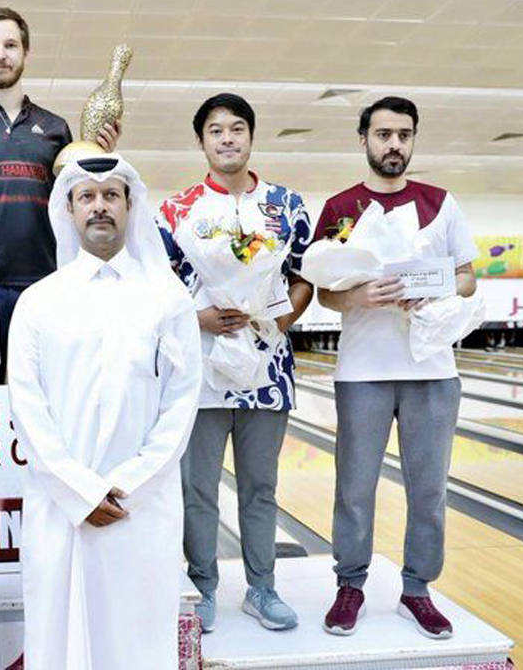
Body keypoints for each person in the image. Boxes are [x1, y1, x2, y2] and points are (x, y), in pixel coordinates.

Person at [8, 155, 201, 669]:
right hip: (59, 506)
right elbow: (27, 407)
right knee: (60, 641)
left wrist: (128, 484)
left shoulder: (167, 298)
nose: (99, 206)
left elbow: (181, 403)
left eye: (111, 195)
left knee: (137, 643)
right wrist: (79, 490)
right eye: (87, 197)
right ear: (69, 209)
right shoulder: (39, 301)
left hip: (140, 506)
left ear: (129, 206)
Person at [315, 96, 478, 639]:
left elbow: (467, 277)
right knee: (354, 487)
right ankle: (350, 585)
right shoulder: (340, 208)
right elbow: (325, 292)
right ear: (363, 139)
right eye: (384, 134)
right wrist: (357, 296)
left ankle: (417, 590)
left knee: (428, 490)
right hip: (362, 371)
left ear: (412, 141)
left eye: (404, 135)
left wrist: (433, 289)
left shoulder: (440, 203)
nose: (394, 145)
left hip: (432, 369)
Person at [156, 94, 315, 632]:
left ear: (251, 136)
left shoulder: (287, 204)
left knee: (260, 488)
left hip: (267, 371)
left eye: (237, 128)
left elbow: (304, 276)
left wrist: (278, 322)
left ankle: (262, 589)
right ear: (201, 141)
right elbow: (158, 288)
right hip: (199, 373)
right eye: (216, 130)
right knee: (197, 490)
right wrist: (196, 318)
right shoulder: (174, 210)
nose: (227, 138)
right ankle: (202, 587)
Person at [0, 6, 120, 381]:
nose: (0, 54)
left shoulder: (56, 128)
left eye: (10, 45)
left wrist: (101, 157)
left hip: (46, 283)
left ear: (26, 52)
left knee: (44, 389)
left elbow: (79, 205)